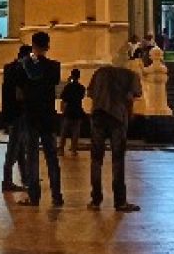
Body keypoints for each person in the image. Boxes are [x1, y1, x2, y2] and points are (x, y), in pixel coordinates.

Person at [86, 53, 142, 211]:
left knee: (96, 160)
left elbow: (90, 94)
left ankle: (96, 200)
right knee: (118, 160)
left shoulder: (99, 73)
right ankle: (120, 202)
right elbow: (131, 98)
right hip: (117, 118)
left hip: (98, 117)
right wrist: (128, 116)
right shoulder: (131, 75)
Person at [15, 31, 63, 207]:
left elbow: (19, 92)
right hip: (48, 117)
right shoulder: (55, 67)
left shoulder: (23, 66)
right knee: (52, 157)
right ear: (48, 46)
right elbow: (53, 83)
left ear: (33, 45)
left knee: (32, 157)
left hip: (31, 117)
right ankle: (57, 195)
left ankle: (34, 196)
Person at [1, 45, 31, 191]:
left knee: (19, 148)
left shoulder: (9, 68)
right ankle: (7, 181)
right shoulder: (20, 70)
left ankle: (25, 177)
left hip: (10, 113)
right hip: (19, 113)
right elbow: (20, 93)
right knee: (14, 148)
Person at [57, 68, 86, 155]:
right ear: (79, 76)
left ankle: (61, 150)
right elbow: (81, 97)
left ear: (72, 75)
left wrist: (62, 110)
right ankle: (73, 150)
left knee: (64, 132)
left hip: (68, 111)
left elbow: (63, 99)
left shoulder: (68, 87)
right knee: (75, 132)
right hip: (77, 111)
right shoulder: (82, 88)